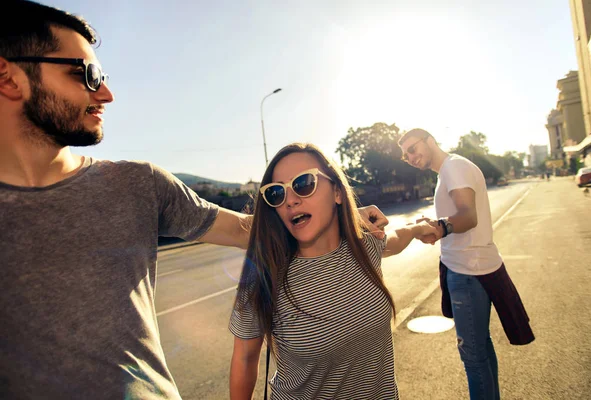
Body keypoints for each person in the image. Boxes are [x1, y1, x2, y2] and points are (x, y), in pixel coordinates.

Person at [0, 2, 387, 399]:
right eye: (85, 74)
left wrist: (337, 213)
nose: (107, 93)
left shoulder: (137, 183)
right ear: (8, 77)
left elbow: (247, 229)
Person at [228, 142, 439, 400]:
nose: (290, 200)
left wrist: (418, 228)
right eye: (276, 194)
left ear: (338, 192)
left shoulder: (365, 247)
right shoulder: (263, 275)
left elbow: (395, 238)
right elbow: (245, 358)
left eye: (303, 183)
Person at [398, 128, 534, 400]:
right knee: (480, 348)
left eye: (413, 149)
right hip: (471, 267)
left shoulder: (453, 167)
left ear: (430, 140)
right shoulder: (449, 171)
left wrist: (440, 228)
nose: (410, 157)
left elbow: (468, 216)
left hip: (467, 271)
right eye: (405, 156)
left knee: (473, 356)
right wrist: (434, 224)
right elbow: (459, 216)